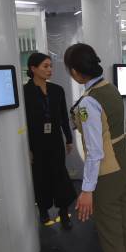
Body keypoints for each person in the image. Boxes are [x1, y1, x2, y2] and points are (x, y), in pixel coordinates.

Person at [66, 43, 126, 252]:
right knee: (123, 223)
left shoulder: (88, 103)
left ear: (75, 72)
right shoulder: (110, 87)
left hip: (108, 173)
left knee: (109, 234)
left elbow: (95, 152)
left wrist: (86, 190)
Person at [23, 53, 76, 229]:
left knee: (60, 176)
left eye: (50, 66)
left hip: (55, 142)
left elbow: (63, 118)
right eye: (45, 66)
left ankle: (63, 212)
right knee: (40, 178)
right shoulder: (25, 93)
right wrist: (27, 148)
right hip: (36, 144)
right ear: (33, 69)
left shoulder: (57, 90)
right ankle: (44, 211)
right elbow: (23, 123)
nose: (49, 69)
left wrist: (69, 139)